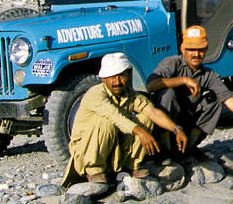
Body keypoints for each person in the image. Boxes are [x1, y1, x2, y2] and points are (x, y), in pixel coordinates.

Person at [61, 52, 187, 190]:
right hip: (87, 151)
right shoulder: (95, 93)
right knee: (105, 123)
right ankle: (94, 170)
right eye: (112, 77)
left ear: (128, 75)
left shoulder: (129, 94)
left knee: (145, 119)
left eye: (122, 76)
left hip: (114, 146)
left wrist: (177, 129)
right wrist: (140, 132)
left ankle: (129, 167)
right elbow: (115, 116)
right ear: (103, 79)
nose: (117, 82)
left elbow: (152, 112)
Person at [146, 24, 233, 155]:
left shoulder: (208, 75)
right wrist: (183, 80)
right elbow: (151, 85)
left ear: (206, 49)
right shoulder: (172, 63)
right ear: (182, 49)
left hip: (187, 122)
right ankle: (165, 151)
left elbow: (229, 99)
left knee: (215, 98)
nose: (196, 54)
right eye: (191, 49)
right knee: (166, 93)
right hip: (167, 123)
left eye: (200, 49)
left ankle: (188, 149)